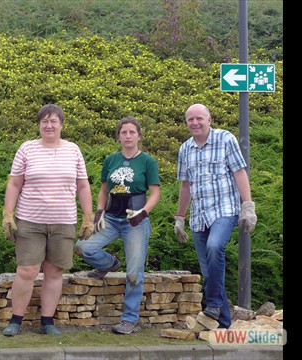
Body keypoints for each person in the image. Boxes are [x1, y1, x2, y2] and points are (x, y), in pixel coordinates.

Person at [1, 104, 94, 337]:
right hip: (30, 220)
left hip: (64, 221)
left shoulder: (73, 150)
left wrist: (88, 217)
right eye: (44, 121)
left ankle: (47, 322)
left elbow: (83, 185)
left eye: (54, 121)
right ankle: (15, 321)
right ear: (39, 124)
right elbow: (14, 183)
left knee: (54, 272)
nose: (49, 125)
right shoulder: (26, 149)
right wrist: (8, 213)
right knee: (27, 270)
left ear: (61, 125)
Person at [74, 116, 160, 335]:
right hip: (111, 219)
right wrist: (98, 212)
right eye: (124, 132)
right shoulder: (111, 160)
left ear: (139, 136)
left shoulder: (147, 161)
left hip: (135, 221)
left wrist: (144, 213)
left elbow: (155, 192)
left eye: (132, 132)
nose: (128, 136)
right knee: (83, 247)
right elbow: (104, 189)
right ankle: (108, 264)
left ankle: (130, 320)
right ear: (118, 136)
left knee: (134, 273)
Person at [173, 103, 257, 329]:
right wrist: (180, 217)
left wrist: (247, 205)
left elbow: (240, 172)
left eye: (199, 118)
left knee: (214, 246)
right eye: (190, 119)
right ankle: (223, 326)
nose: (195, 123)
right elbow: (185, 185)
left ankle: (212, 304)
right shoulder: (185, 149)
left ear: (209, 120)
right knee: (208, 272)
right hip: (199, 217)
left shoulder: (225, 139)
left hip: (224, 210)